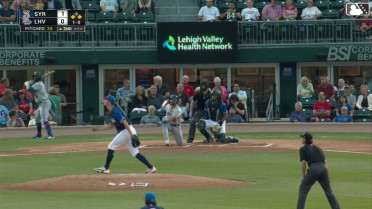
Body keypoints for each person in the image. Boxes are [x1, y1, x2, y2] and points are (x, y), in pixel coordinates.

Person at [92, 95, 157, 174]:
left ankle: (106, 168)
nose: (104, 101)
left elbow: (125, 122)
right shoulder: (111, 112)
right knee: (135, 153)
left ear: (109, 102)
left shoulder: (115, 111)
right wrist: (98, 129)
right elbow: (111, 126)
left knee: (111, 146)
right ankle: (151, 168)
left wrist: (131, 134)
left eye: (105, 100)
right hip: (128, 131)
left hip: (126, 131)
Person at [297, 132, 341, 209]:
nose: (301, 139)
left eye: (302, 138)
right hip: (323, 168)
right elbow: (325, 162)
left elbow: (303, 163)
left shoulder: (303, 149)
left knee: (303, 189)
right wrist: (324, 172)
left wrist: (303, 176)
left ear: (305, 139)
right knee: (329, 191)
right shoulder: (318, 148)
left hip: (314, 169)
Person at [26, 72, 54, 139]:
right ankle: (39, 135)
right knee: (37, 119)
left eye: (35, 77)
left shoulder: (39, 84)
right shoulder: (37, 84)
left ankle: (50, 135)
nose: (34, 78)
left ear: (37, 77)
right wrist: (30, 83)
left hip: (44, 102)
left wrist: (27, 84)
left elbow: (29, 90)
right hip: (41, 104)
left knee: (44, 119)